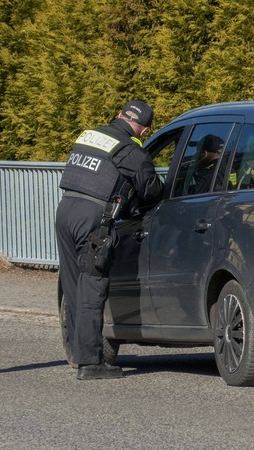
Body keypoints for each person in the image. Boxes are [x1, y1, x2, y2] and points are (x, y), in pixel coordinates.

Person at [56, 100, 163, 380]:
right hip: (92, 218)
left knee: (73, 284)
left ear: (119, 115)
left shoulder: (89, 136)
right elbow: (151, 189)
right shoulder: (128, 148)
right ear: (144, 130)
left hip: (65, 211)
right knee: (93, 285)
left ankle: (77, 353)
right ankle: (91, 363)